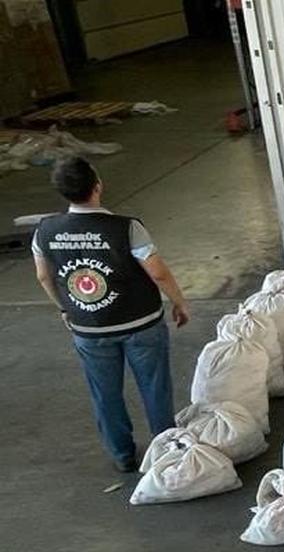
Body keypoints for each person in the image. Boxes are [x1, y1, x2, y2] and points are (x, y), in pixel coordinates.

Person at [32, 157, 191, 471]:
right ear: (98, 186)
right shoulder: (126, 227)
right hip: (141, 322)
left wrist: (65, 308)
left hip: (89, 328)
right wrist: (179, 301)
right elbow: (157, 272)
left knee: (105, 393)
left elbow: (43, 275)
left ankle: (122, 456)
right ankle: (165, 451)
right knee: (155, 387)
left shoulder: (45, 231)